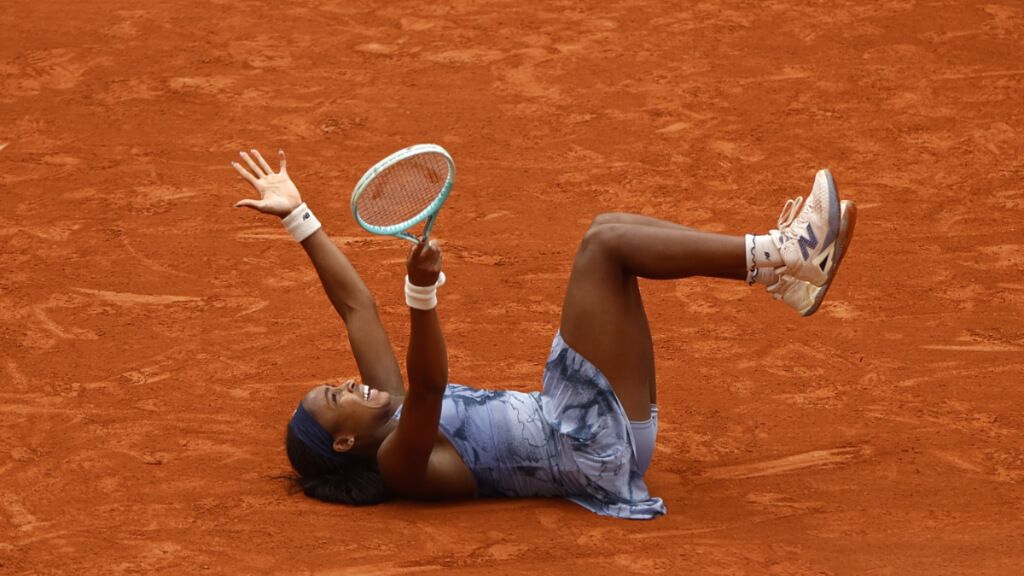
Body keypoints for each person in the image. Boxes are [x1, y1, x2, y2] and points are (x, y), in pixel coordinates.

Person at [231, 148, 856, 519]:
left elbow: (357, 309)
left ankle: (783, 273)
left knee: (610, 232)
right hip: (585, 444)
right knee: (605, 245)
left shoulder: (384, 415)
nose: (351, 384)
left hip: (578, 421)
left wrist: (298, 216)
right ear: (344, 445)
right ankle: (783, 255)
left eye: (340, 383)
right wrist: (423, 293)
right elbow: (428, 388)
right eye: (339, 397)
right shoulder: (401, 465)